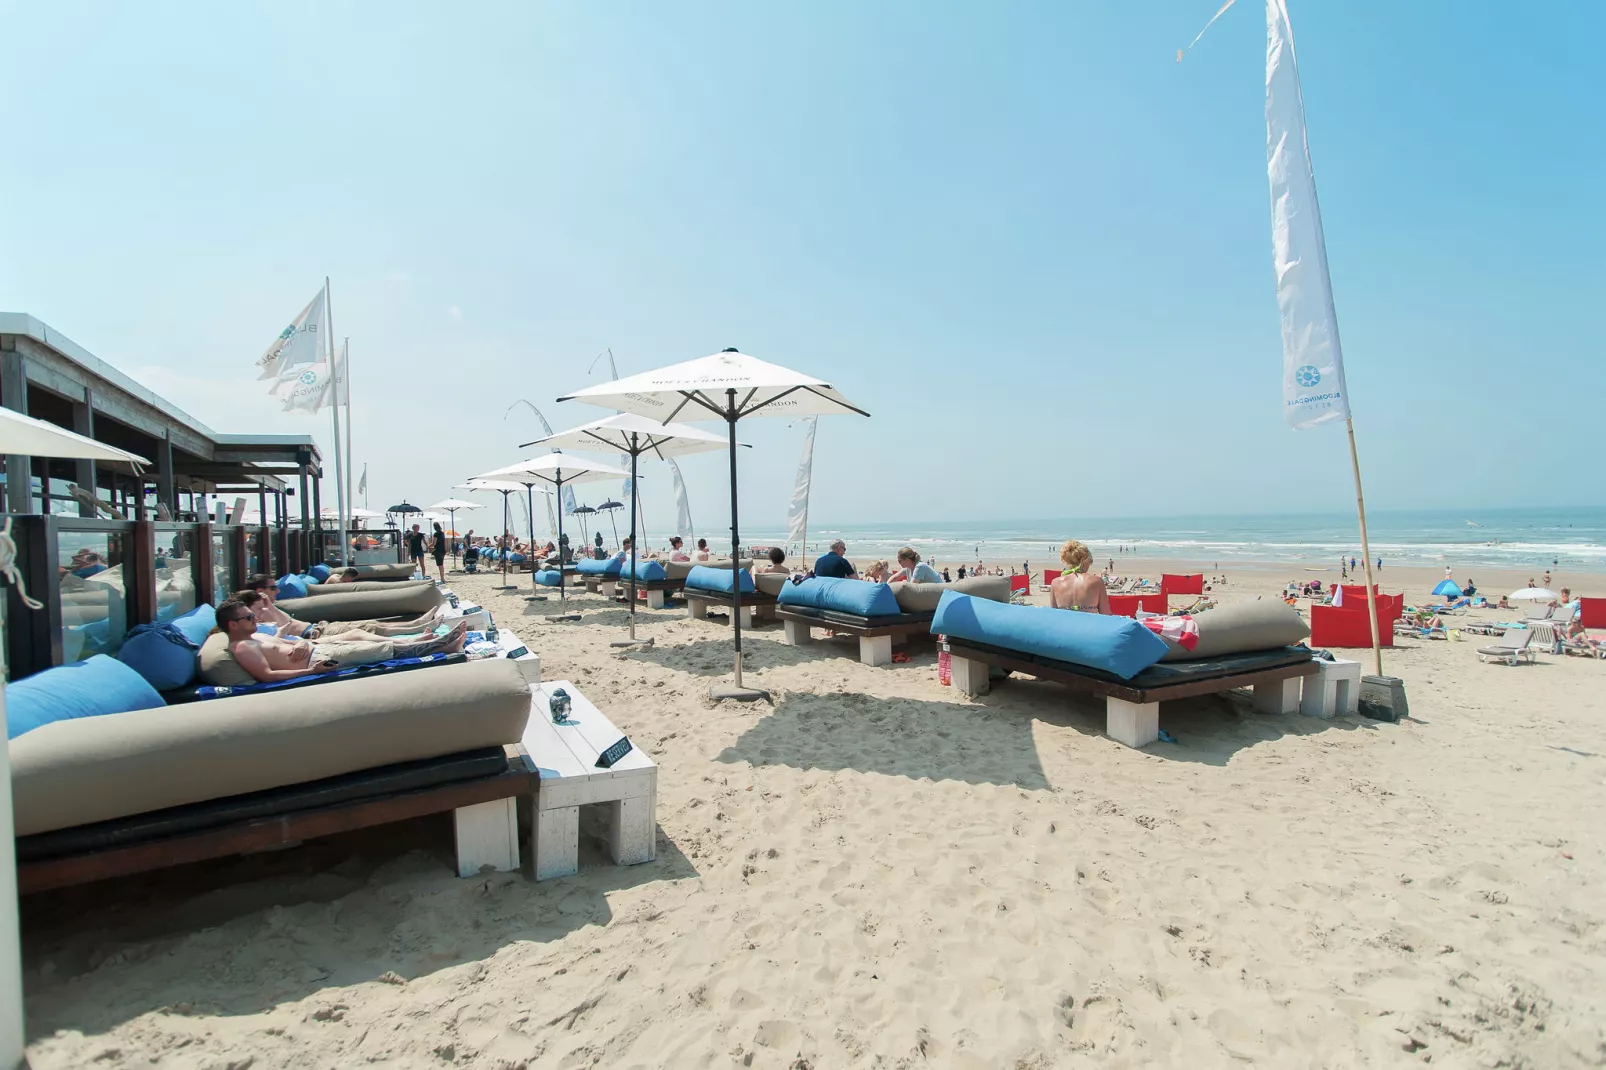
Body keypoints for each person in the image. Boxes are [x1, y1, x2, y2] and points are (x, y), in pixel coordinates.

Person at [200, 598, 467, 688]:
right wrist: (312, 671)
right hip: (315, 660)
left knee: (369, 645)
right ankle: (440, 647)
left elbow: (279, 641)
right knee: (374, 651)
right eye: (248, 616)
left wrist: (300, 642)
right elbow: (268, 676)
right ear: (232, 625)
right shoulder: (243, 647)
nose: (253, 617)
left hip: (314, 649)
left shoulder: (253, 636)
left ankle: (435, 643)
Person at [239, 576, 443, 639]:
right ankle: (416, 629)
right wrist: (267, 607)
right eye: (272, 588)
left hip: (319, 627)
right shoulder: (260, 615)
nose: (277, 591)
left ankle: (416, 624)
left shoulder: (265, 610)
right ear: (260, 591)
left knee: (370, 624)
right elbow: (287, 625)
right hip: (316, 634)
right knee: (369, 628)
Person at [1049, 539, 1109, 614]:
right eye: (1090, 561)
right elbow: (1106, 614)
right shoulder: (1096, 581)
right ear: (1083, 560)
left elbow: (1054, 615)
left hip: (1064, 625)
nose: (1089, 565)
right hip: (1088, 625)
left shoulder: (1055, 583)